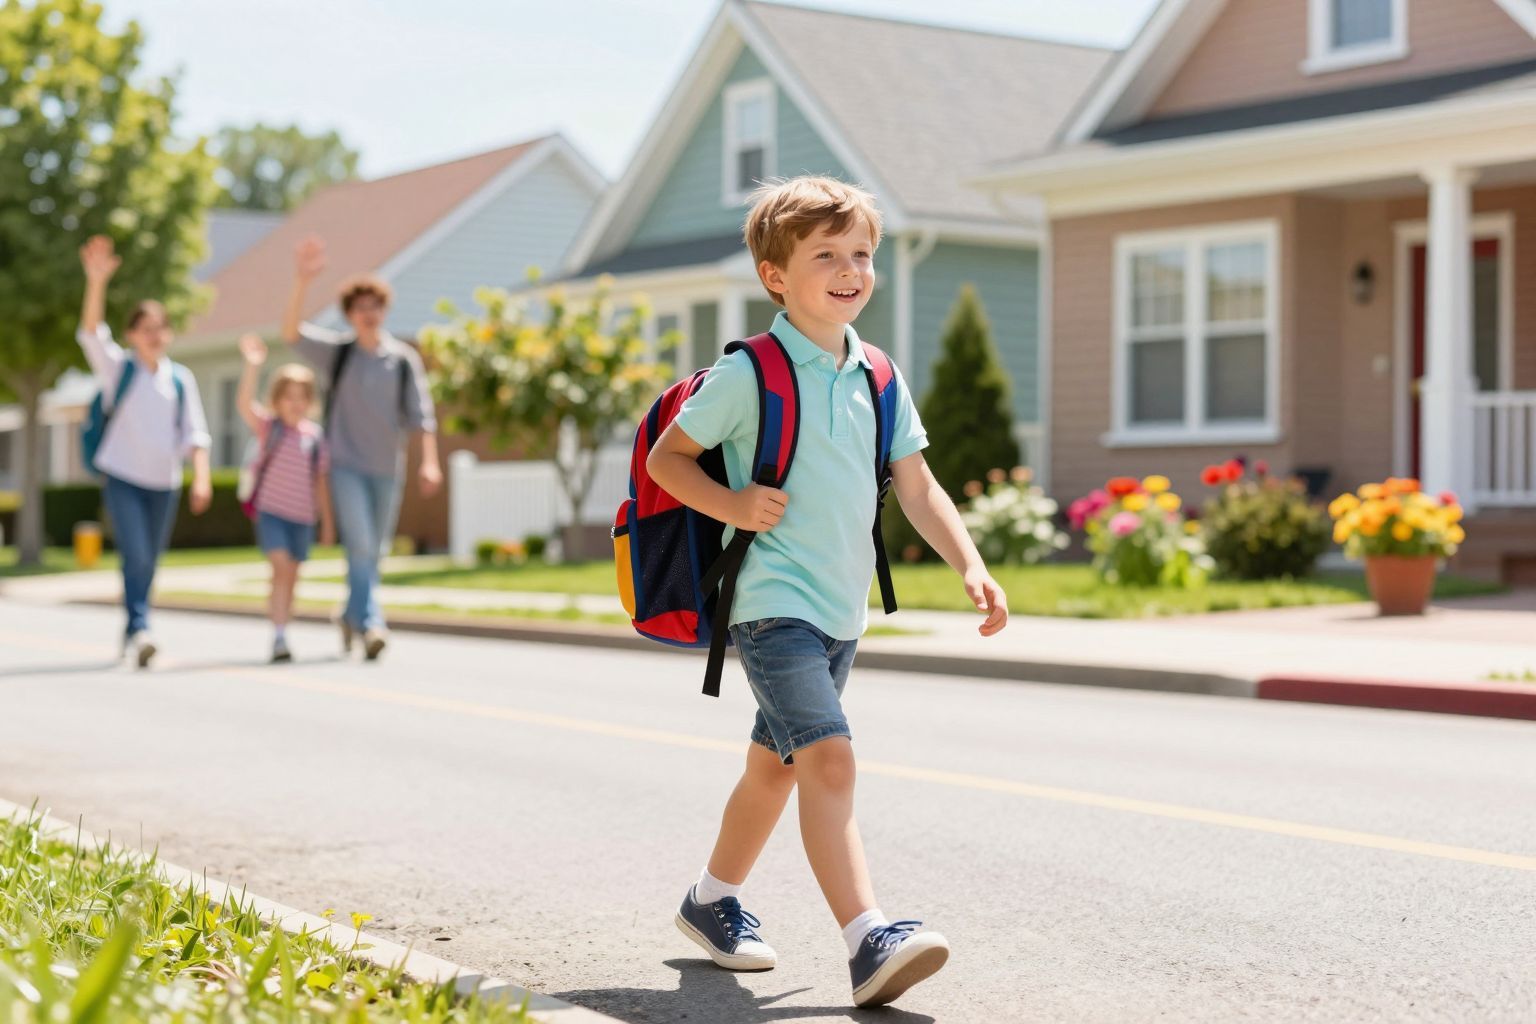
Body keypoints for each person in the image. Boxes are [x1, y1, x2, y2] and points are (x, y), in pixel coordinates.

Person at [647, 177, 1009, 1009]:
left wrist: (970, 562)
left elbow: (918, 486)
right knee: (828, 757)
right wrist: (734, 505)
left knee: (774, 770)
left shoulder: (877, 373)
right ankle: (867, 937)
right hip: (772, 605)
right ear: (776, 274)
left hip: (841, 610)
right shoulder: (749, 373)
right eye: (827, 256)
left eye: (862, 254)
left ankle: (709, 902)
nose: (851, 270)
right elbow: (670, 461)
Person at [280, 236, 440, 661]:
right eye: (360, 308)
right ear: (349, 315)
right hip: (345, 465)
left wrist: (429, 463)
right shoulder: (340, 354)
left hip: (388, 468)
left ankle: (350, 613)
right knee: (362, 546)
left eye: (375, 307)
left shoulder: (403, 360)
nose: (368, 315)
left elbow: (422, 417)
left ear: (384, 311)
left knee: (375, 551)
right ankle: (371, 623)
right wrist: (302, 281)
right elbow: (291, 333)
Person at [77, 235, 213, 668]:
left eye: (161, 328)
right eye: (146, 329)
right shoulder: (122, 369)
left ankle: (135, 625)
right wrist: (95, 282)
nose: (155, 336)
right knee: (135, 553)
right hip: (122, 476)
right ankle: (141, 629)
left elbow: (196, 433)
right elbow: (91, 334)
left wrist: (202, 477)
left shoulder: (180, 380)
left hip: (164, 482)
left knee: (149, 561)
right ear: (133, 334)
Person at [235, 333, 335, 663]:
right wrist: (253, 366)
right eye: (288, 396)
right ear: (276, 400)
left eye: (301, 397)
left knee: (291, 576)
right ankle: (278, 636)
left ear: (310, 401)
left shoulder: (315, 437)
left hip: (303, 518)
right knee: (279, 567)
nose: (295, 403)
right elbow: (243, 404)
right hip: (272, 512)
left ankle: (284, 629)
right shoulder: (269, 428)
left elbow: (320, 482)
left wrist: (327, 523)